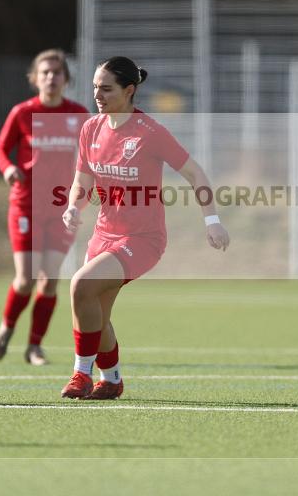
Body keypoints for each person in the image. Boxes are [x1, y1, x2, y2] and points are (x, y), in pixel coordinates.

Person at [59, 56, 230, 400]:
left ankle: (81, 374)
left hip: (143, 239)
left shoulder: (150, 132)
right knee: (98, 314)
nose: (98, 95)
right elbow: (83, 179)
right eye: (95, 88)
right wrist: (73, 207)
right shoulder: (91, 129)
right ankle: (112, 380)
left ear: (130, 90)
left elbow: (196, 174)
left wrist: (212, 221)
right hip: (104, 235)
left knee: (81, 285)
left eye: (106, 89)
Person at [0, 49, 89, 365]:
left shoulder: (79, 114)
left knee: (49, 280)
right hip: (26, 205)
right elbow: (1, 150)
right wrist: (8, 169)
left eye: (57, 72)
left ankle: (34, 346)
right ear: (34, 78)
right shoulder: (22, 113)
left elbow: (93, 154)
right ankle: (6, 329)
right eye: (45, 72)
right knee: (26, 279)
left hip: (62, 209)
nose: (51, 77)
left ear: (66, 79)